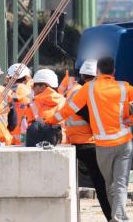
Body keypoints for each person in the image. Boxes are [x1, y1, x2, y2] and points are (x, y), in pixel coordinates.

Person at [50, 56, 133, 222]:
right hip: (124, 143)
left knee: (109, 184)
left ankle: (117, 217)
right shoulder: (123, 86)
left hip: (102, 145)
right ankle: (118, 217)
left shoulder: (88, 89)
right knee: (120, 183)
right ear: (114, 71)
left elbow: (68, 110)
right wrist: (132, 120)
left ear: (98, 71)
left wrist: (49, 121)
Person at [48, 59, 112, 221]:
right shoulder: (84, 92)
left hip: (77, 141)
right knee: (103, 185)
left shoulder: (76, 89)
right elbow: (91, 117)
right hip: (88, 143)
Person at [6, 63, 34, 145]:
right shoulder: (32, 94)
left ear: (8, 79)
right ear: (26, 78)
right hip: (26, 140)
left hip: (5, 140)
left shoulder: (1, 93)